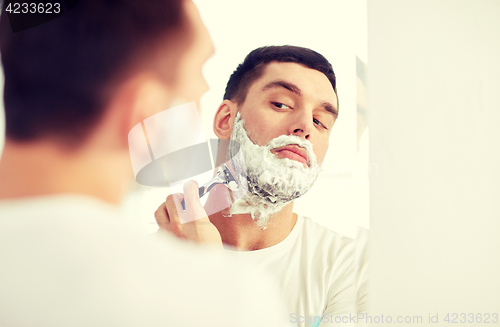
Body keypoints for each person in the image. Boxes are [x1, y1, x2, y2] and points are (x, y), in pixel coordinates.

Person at [0, 1, 288, 326]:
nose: (205, 90)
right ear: (145, 110)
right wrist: (207, 277)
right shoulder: (226, 299)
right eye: (197, 71)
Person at [155, 45, 368, 327]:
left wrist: (211, 273)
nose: (305, 126)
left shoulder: (352, 265)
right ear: (225, 120)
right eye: (281, 104)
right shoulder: (142, 260)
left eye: (320, 121)